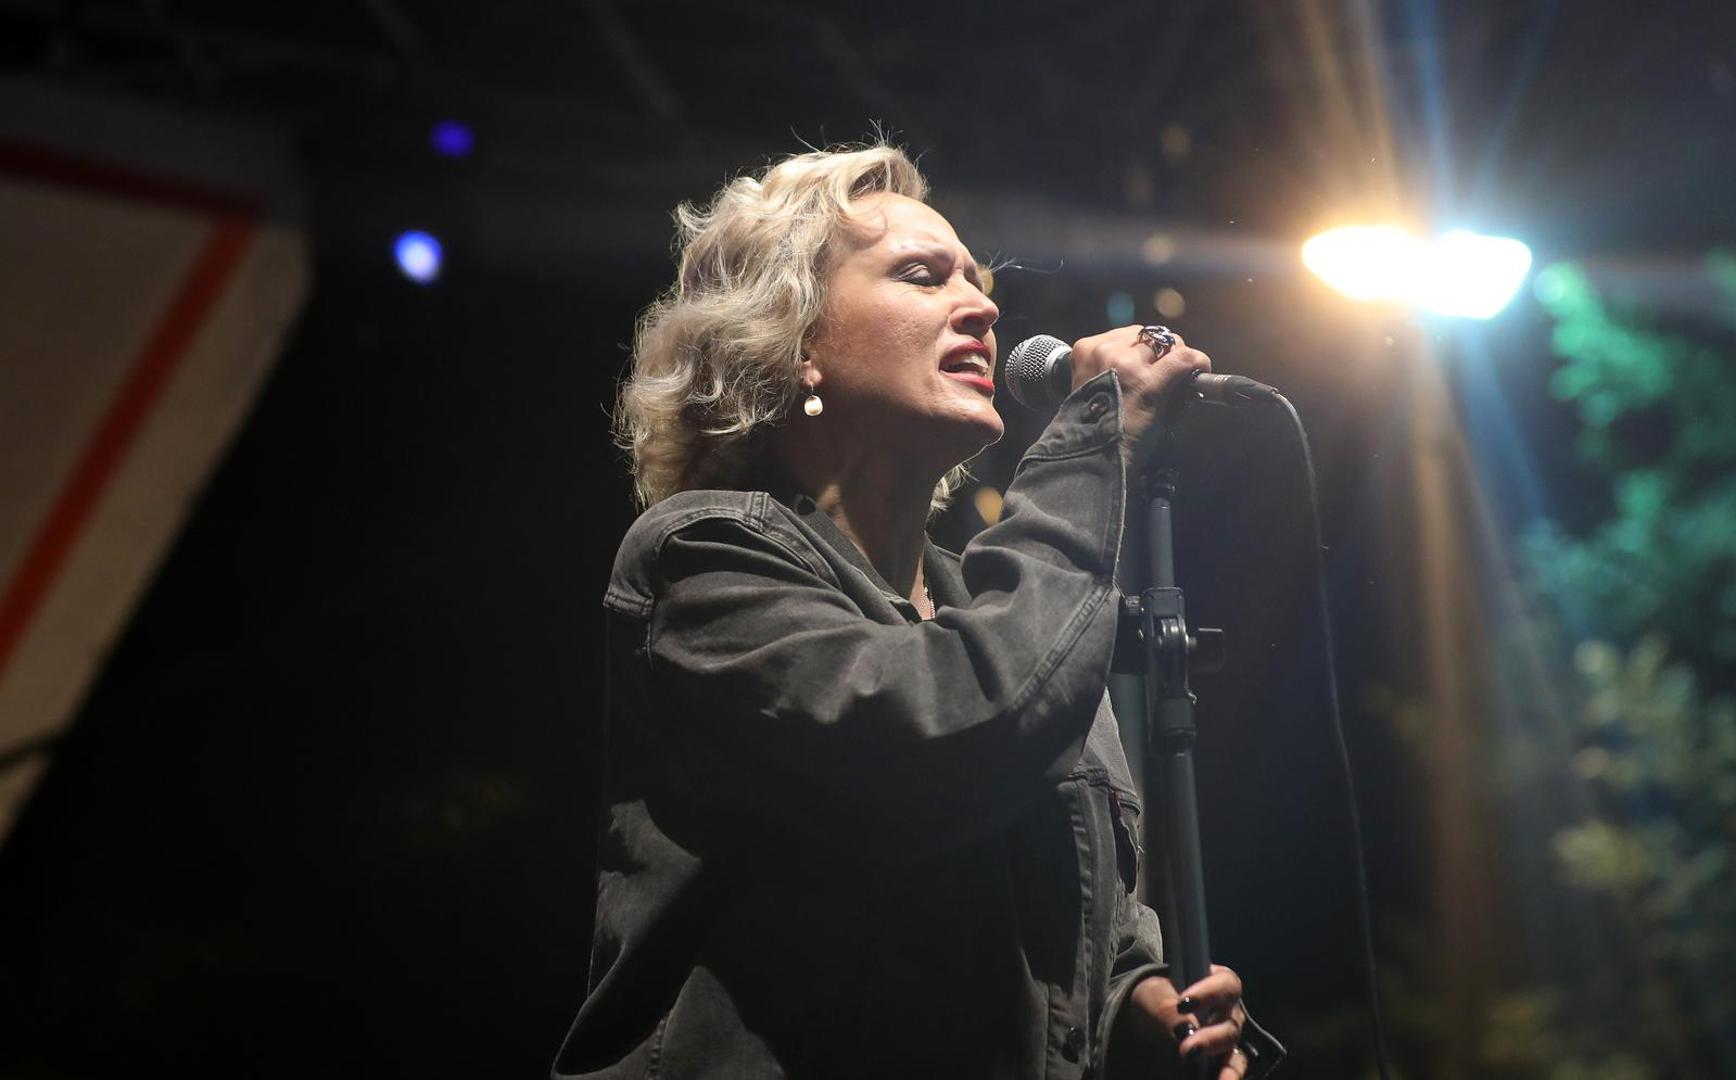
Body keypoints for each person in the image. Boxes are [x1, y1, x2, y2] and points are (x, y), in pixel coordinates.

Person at [554, 142, 1283, 1079]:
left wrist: (1132, 1007)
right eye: (923, 276)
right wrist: (1093, 446)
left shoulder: (1005, 607)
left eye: (976, 281)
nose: (982, 306)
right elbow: (945, 742)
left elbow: (1068, 926)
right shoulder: (703, 560)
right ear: (795, 342)